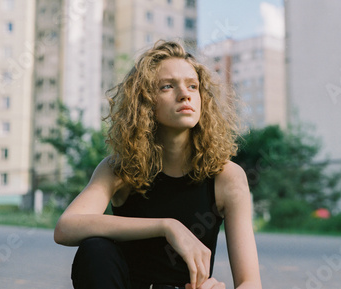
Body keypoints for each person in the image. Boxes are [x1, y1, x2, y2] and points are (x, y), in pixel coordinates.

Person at [54, 40, 262, 289]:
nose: (184, 94)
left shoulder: (227, 176)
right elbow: (66, 227)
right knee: (95, 249)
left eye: (192, 86)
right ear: (145, 102)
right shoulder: (119, 168)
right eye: (167, 86)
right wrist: (167, 226)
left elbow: (250, 282)